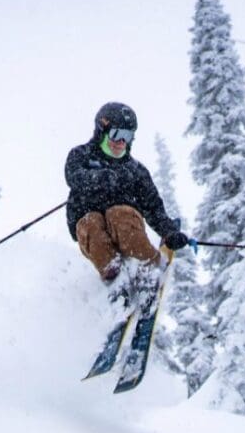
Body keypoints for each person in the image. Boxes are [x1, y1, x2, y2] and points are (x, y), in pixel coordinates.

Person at [64, 102, 190, 293]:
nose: (121, 142)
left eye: (127, 136)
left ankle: (148, 267)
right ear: (102, 131)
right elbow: (73, 176)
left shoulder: (135, 171)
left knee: (119, 214)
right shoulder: (81, 156)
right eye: (116, 134)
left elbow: (153, 207)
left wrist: (169, 232)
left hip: (126, 229)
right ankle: (115, 280)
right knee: (91, 223)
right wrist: (100, 178)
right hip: (92, 232)